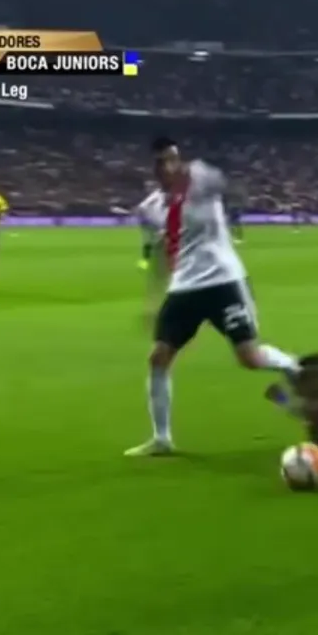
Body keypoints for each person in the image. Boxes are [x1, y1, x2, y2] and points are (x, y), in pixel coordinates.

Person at [125, 137, 302, 457]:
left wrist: (211, 184)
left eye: (174, 158)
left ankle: (291, 365)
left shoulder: (200, 179)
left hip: (223, 280)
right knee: (158, 358)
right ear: (153, 167)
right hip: (184, 287)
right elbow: (160, 254)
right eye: (163, 161)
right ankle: (162, 438)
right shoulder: (150, 208)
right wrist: (152, 301)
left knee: (249, 358)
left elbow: (228, 186)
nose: (171, 166)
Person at [134, 182, 168, 319]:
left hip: (165, 239)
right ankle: (157, 307)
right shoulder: (156, 197)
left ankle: (156, 307)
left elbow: (141, 210)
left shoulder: (157, 198)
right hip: (163, 241)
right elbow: (142, 210)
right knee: (161, 277)